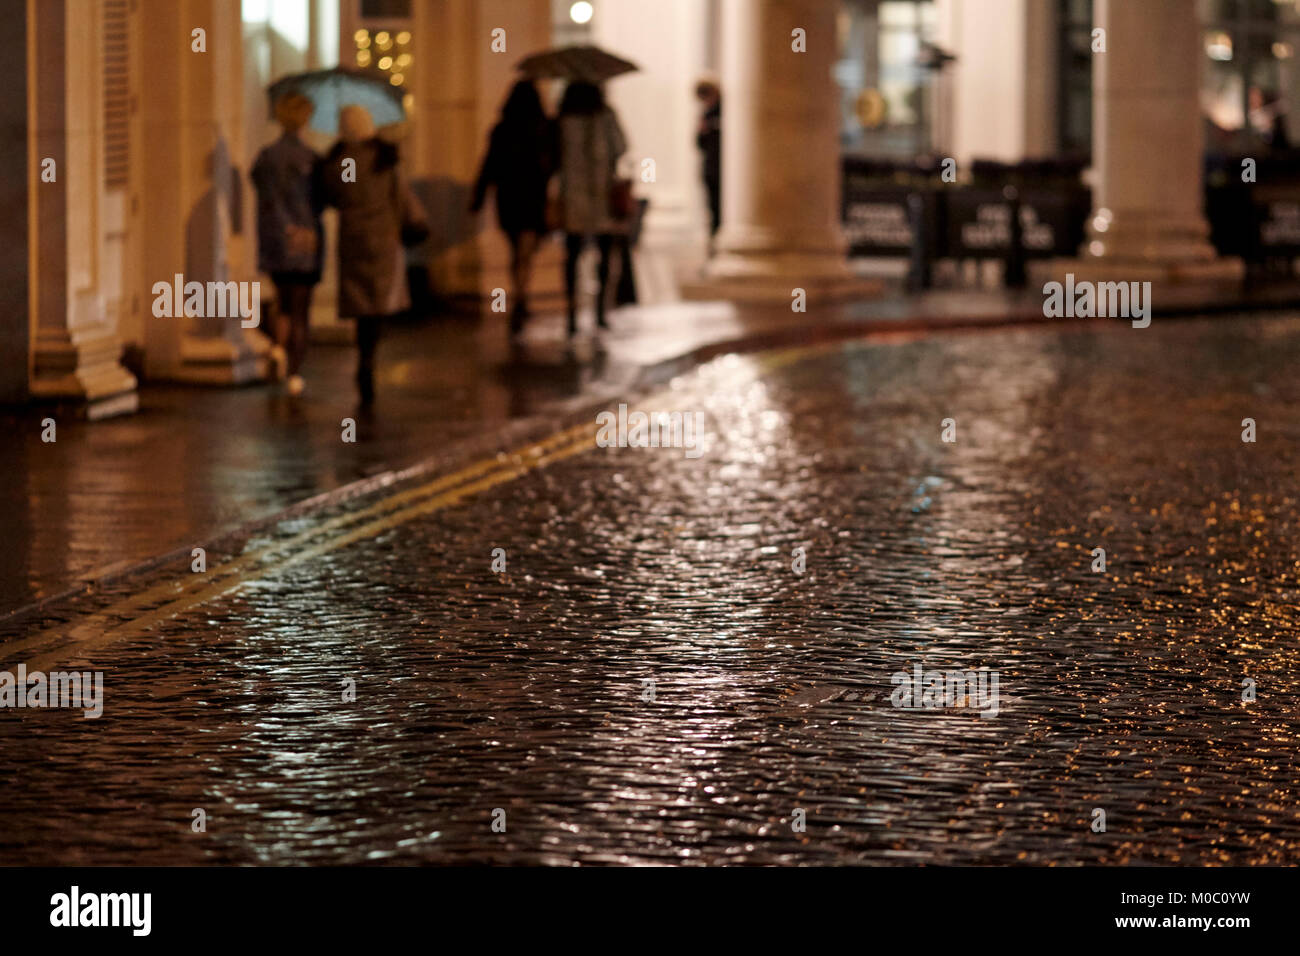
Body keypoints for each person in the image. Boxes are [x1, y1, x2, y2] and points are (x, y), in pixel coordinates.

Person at [315, 104, 413, 404]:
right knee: (377, 301)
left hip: (353, 239)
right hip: (382, 238)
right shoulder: (384, 158)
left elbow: (331, 196)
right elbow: (400, 197)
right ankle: (369, 356)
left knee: (360, 302)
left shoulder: (338, 162)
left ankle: (364, 356)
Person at [251, 92, 323, 397]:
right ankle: (294, 371)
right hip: (305, 238)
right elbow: (323, 198)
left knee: (282, 302)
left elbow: (259, 187)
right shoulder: (311, 158)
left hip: (276, 238)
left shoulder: (267, 157)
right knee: (301, 309)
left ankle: (278, 348)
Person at [470, 80, 556, 336]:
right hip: (532, 196)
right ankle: (521, 296)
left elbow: (489, 165)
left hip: (508, 197)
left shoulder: (503, 129)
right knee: (525, 250)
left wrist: (479, 196)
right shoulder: (543, 129)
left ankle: (519, 295)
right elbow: (552, 164)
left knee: (515, 250)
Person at [556, 80, 627, 337]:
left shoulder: (563, 118)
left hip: (573, 199)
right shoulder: (606, 116)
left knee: (572, 257)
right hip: (601, 197)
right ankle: (599, 312)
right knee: (605, 257)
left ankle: (572, 314)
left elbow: (554, 156)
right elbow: (621, 147)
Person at [695, 76, 722, 245]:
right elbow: (699, 144)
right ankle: (714, 243)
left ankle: (717, 242)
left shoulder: (723, 111)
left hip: (721, 170)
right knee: (713, 211)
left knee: (719, 211)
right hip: (711, 170)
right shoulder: (706, 113)